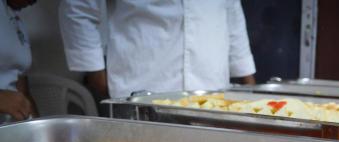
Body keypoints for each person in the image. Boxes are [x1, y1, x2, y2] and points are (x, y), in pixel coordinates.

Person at [58, 0, 256, 100]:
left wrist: (249, 83)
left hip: (213, 91)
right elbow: (79, 7)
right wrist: (96, 75)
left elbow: (232, 12)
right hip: (141, 89)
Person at [0, 0, 38, 121]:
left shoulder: (16, 22)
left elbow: (23, 89)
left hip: (11, 126)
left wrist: (38, 129)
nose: (33, 2)